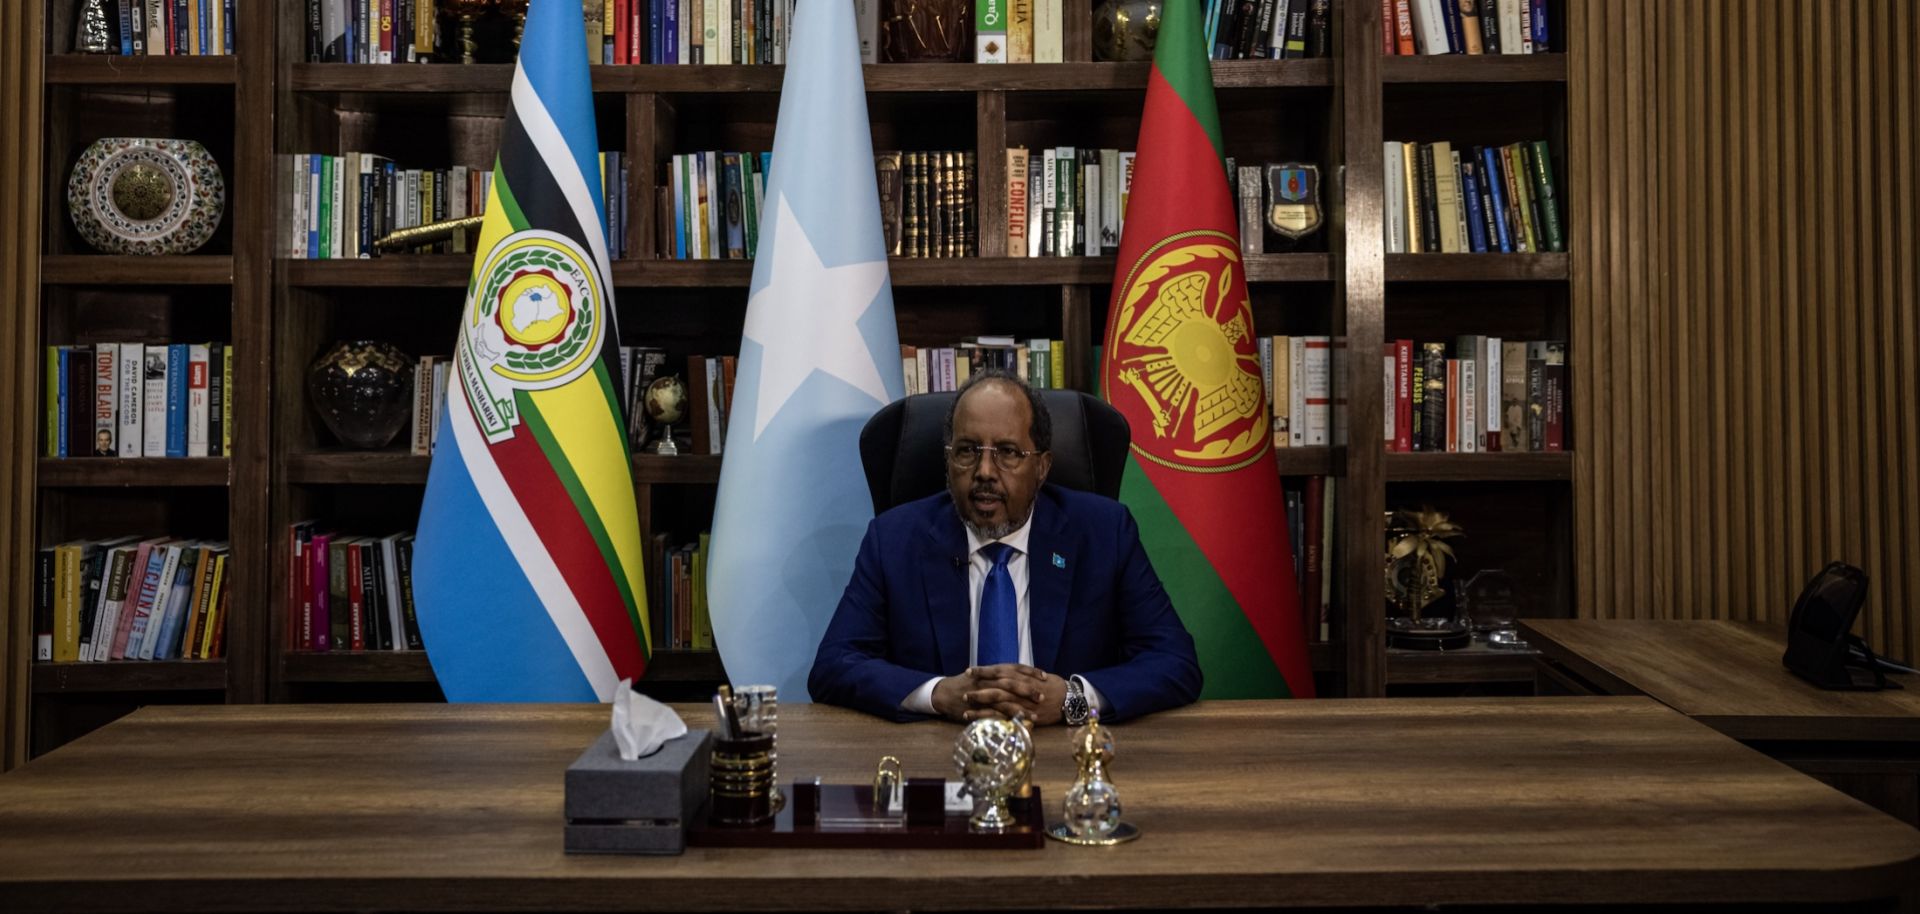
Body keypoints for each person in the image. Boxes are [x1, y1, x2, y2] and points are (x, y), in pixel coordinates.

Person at [809, 370, 1202, 725]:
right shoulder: (894, 539)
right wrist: (937, 694)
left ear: (1043, 467)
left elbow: (1175, 662)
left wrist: (1072, 698)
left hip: (1065, 760)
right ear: (948, 463)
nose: (983, 471)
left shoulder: (1104, 532)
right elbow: (834, 666)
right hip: (942, 761)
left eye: (1008, 453)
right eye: (966, 451)